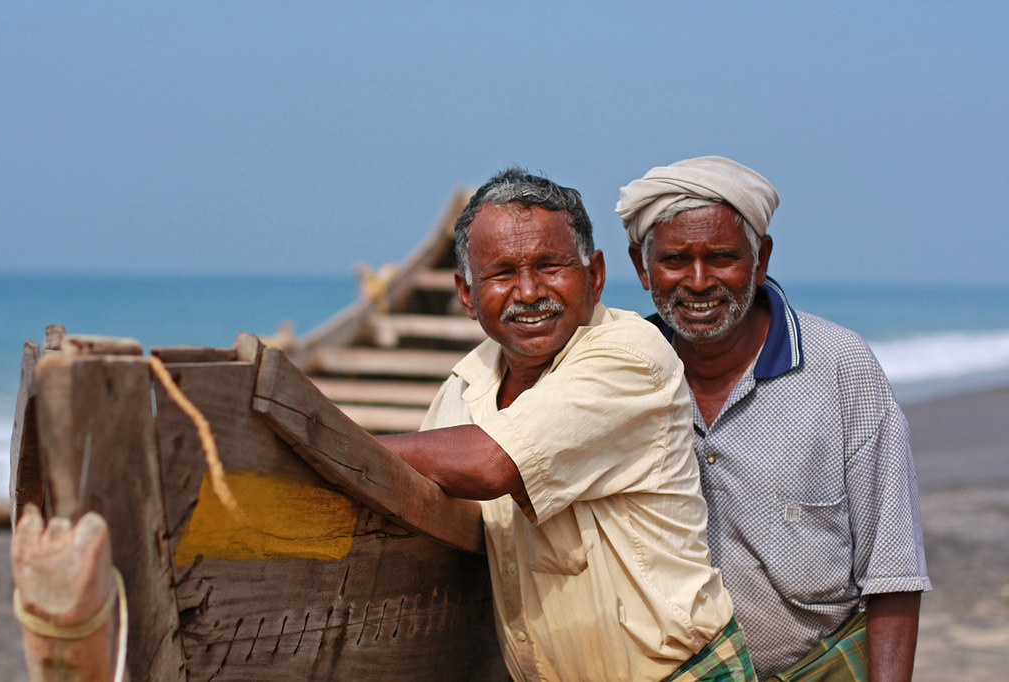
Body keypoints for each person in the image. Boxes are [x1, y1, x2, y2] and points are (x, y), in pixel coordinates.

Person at [379, 168, 756, 681]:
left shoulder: (631, 355)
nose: (530, 291)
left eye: (550, 265)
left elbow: (491, 464)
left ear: (595, 276)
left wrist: (325, 437)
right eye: (502, 273)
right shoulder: (464, 388)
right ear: (467, 294)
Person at [616, 156, 931, 681]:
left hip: (820, 667)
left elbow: (892, 567)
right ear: (640, 266)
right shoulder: (616, 377)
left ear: (760, 259)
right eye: (674, 260)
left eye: (722, 257)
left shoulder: (839, 369)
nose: (698, 282)